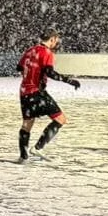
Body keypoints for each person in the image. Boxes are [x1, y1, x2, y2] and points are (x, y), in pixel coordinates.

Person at [18, 31, 79, 161]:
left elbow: (19, 67)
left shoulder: (30, 50)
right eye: (56, 41)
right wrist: (69, 80)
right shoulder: (47, 53)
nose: (56, 44)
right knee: (60, 119)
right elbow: (50, 72)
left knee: (27, 124)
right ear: (52, 39)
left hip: (24, 91)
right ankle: (38, 148)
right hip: (37, 92)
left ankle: (23, 157)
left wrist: (31, 72)